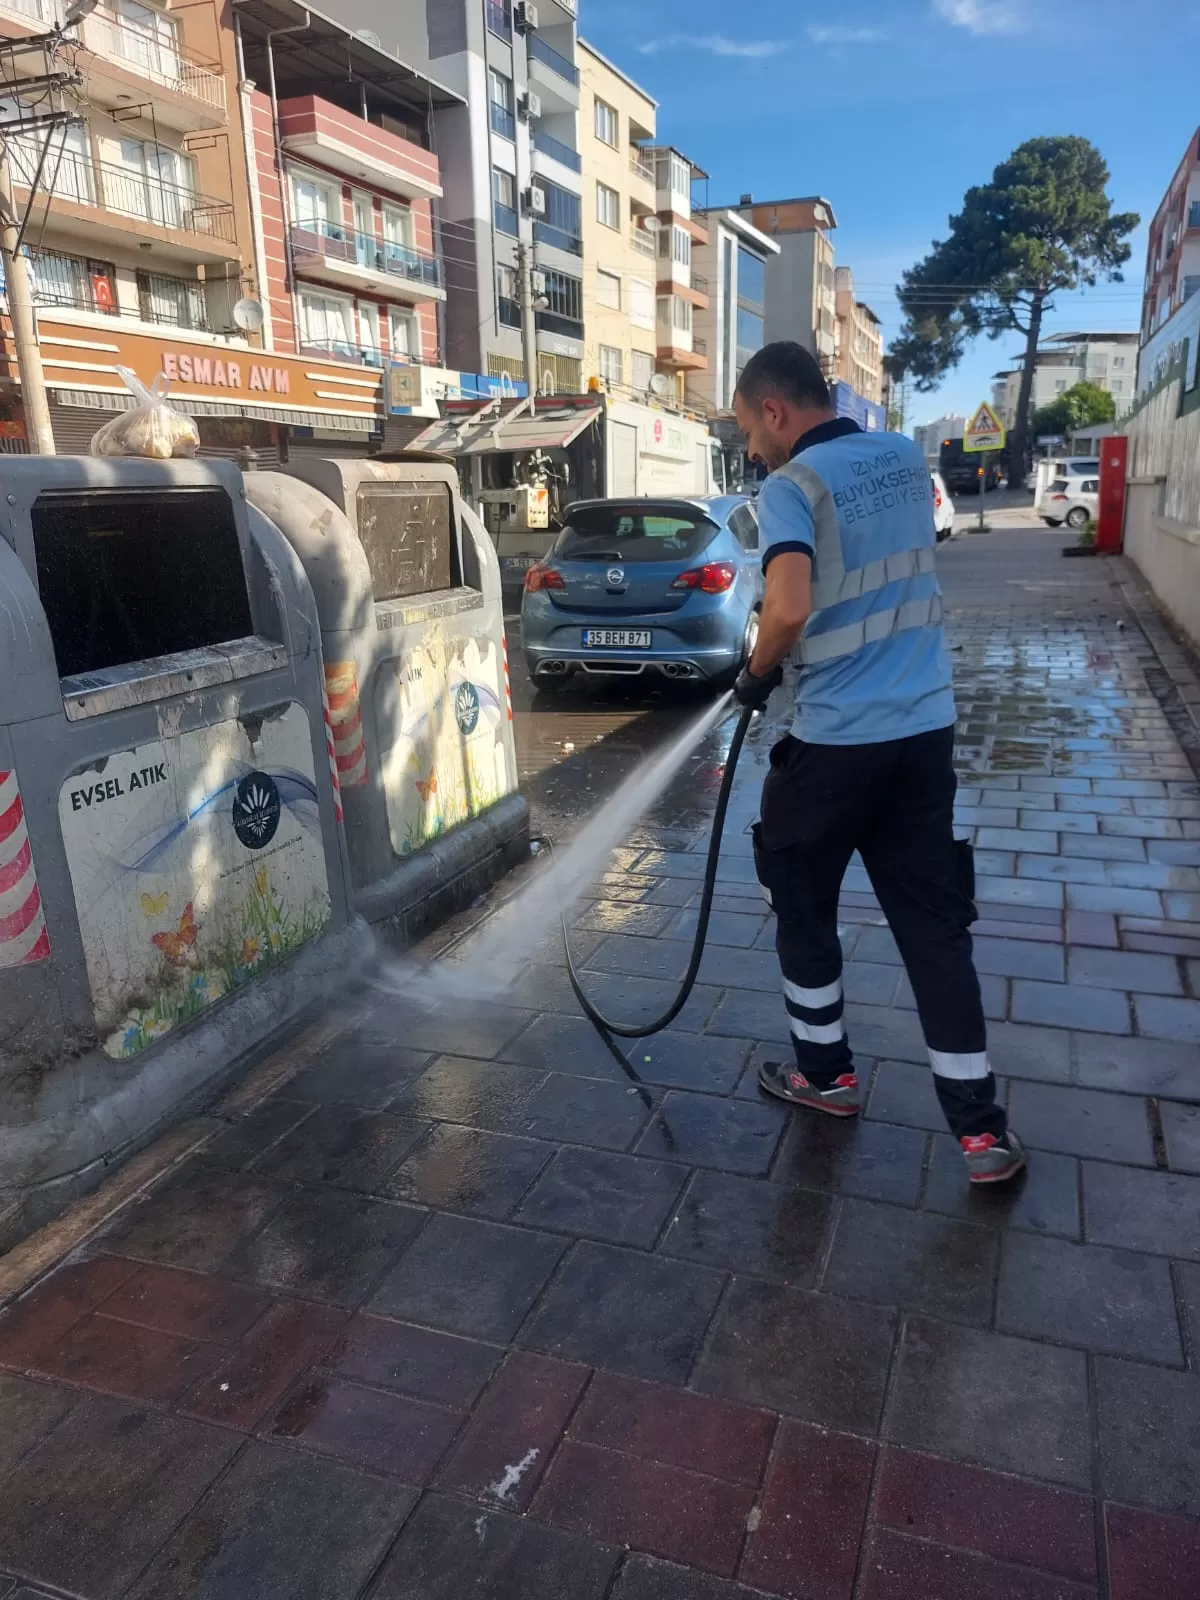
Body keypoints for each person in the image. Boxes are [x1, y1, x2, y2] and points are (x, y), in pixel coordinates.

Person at [732, 341, 1025, 1185]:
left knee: (801, 907)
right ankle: (981, 1134)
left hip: (832, 746)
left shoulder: (791, 486)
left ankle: (828, 1080)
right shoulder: (901, 456)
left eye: (752, 427)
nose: (753, 447)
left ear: (777, 411)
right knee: (934, 931)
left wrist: (756, 676)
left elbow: (788, 606)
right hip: (923, 735)